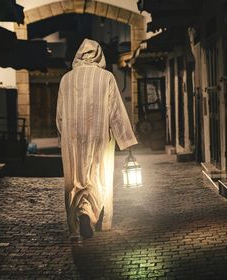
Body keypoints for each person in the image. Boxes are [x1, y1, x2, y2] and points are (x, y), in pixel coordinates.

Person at [56, 39, 138, 240]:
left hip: (72, 139)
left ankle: (80, 215)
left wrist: (64, 135)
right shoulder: (106, 78)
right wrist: (126, 142)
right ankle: (94, 216)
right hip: (99, 136)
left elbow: (59, 115)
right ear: (99, 55)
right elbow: (116, 112)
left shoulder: (66, 80)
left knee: (75, 179)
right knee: (98, 176)